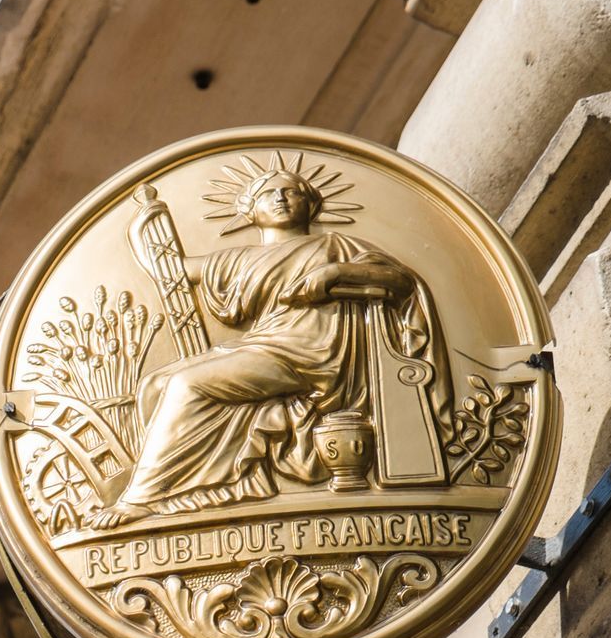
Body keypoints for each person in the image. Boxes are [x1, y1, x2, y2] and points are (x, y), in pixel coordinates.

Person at [89, 163, 447, 528]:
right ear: (250, 211)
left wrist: (335, 272)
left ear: (311, 205)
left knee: (187, 384)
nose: (280, 198)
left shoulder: (336, 246)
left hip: (313, 353)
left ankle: (142, 498)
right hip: (264, 346)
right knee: (155, 385)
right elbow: (169, 269)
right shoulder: (238, 259)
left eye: (291, 191)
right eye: (268, 193)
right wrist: (143, 223)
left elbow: (399, 281)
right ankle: (207, 488)